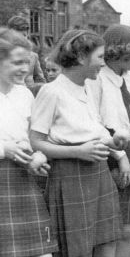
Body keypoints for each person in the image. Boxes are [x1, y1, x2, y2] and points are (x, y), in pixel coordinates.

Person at [30, 30, 129, 257]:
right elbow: (36, 142)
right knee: (77, 247)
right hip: (70, 176)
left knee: (107, 241)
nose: (103, 64)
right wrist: (78, 151)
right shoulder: (51, 91)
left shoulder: (87, 87)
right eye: (100, 57)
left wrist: (115, 144)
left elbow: (91, 130)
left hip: (99, 173)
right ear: (82, 58)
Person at [87, 24, 130, 257]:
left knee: (129, 228)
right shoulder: (96, 79)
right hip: (111, 153)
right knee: (112, 230)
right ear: (119, 50)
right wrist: (121, 157)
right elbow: (95, 121)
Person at [0, 27, 58, 257]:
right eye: (17, 62)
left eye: (27, 62)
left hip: (21, 179)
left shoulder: (24, 94)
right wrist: (4, 149)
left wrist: (38, 155)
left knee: (39, 253)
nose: (25, 69)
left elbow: (34, 137)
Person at [7, 16, 46, 85]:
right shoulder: (2, 56)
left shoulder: (33, 56)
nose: (21, 39)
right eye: (17, 36)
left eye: (24, 35)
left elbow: (40, 81)